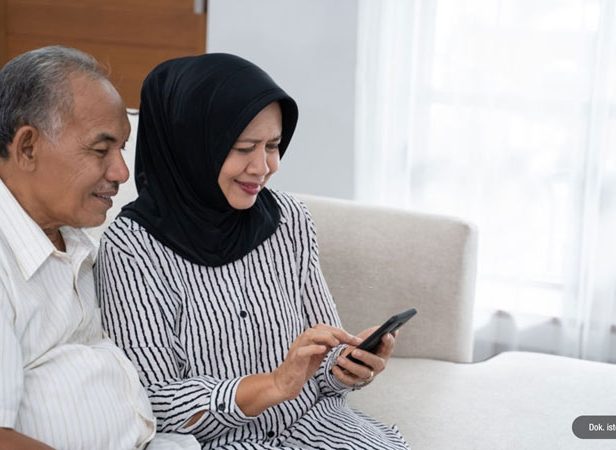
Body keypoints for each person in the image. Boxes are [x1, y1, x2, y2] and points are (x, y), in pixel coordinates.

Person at [95, 53, 410, 449]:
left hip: (317, 426)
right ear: (192, 146)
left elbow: (321, 359)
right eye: (244, 148)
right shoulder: (131, 249)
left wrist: (347, 366)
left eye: (273, 146)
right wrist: (273, 385)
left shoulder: (290, 219)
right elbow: (154, 402)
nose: (263, 167)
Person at [0, 46, 199, 450]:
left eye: (122, 148)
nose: (122, 172)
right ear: (27, 147)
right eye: (100, 149)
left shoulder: (80, 242)